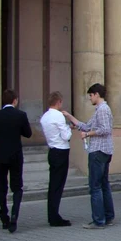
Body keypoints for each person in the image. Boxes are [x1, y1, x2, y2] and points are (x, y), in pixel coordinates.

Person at [63, 83, 116, 229]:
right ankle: (108, 216)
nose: (90, 98)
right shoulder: (100, 110)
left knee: (95, 186)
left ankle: (99, 220)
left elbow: (105, 129)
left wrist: (88, 134)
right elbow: (86, 125)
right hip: (103, 151)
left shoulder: (103, 109)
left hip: (99, 151)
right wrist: (70, 117)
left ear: (97, 94)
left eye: (91, 95)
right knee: (103, 184)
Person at [0, 89, 32, 233]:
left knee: (1, 186)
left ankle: (4, 215)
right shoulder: (21, 115)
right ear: (15, 100)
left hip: (0, 156)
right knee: (17, 187)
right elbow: (28, 133)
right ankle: (14, 215)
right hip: (16, 156)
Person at [40, 91, 73, 226]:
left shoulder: (44, 117)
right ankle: (54, 217)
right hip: (61, 151)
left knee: (53, 184)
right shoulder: (59, 116)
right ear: (59, 102)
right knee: (58, 185)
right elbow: (66, 136)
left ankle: (52, 214)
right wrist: (68, 128)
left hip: (52, 150)